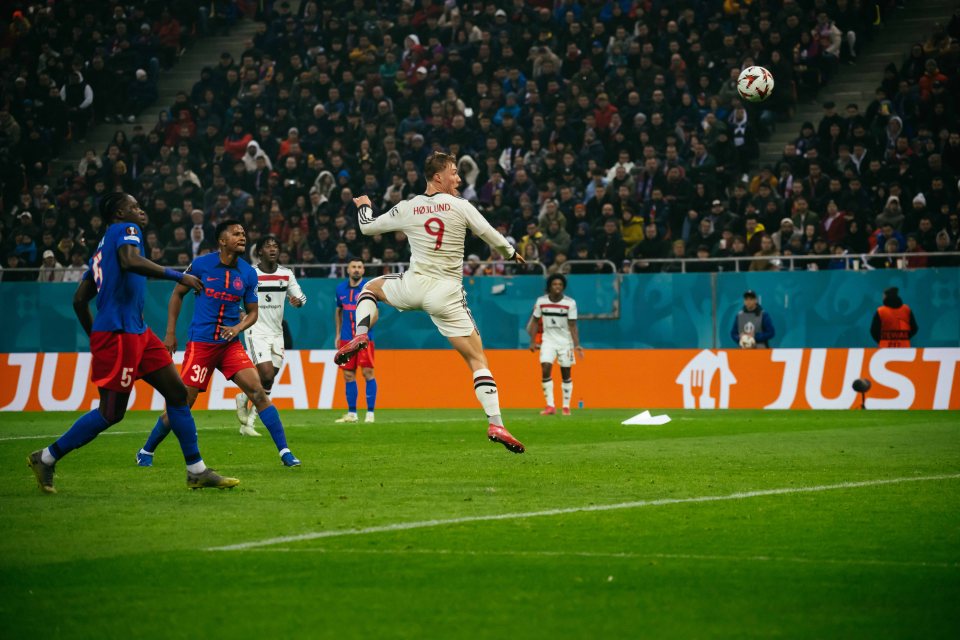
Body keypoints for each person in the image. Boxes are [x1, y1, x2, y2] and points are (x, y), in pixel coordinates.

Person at [26, 192, 239, 493]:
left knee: (177, 394)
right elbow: (129, 260)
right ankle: (46, 457)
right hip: (120, 334)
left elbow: (78, 300)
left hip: (136, 332)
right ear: (118, 214)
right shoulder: (125, 232)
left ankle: (196, 470)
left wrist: (96, 337)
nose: (140, 212)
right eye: (133, 207)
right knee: (111, 413)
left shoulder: (101, 251)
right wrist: (177, 275)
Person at [335, 152, 527, 453]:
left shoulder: (408, 207)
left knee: (370, 288)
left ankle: (361, 332)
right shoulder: (461, 206)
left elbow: (367, 227)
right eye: (454, 172)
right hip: (446, 293)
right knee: (477, 361)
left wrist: (365, 207)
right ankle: (496, 422)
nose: (459, 178)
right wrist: (510, 253)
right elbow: (489, 233)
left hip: (413, 285)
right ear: (438, 177)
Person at [136, 220, 301, 467]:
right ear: (222, 241)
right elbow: (177, 294)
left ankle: (285, 452)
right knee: (183, 403)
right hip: (201, 345)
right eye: (236, 234)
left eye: (244, 233)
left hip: (230, 345)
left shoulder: (247, 272)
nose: (242, 237)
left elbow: (252, 312)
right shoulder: (202, 265)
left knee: (258, 391)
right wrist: (170, 333)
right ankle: (146, 451)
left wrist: (237, 328)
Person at [234, 235, 307, 436]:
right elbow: (236, 296)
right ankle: (250, 418)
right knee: (265, 374)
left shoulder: (286, 274)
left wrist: (297, 301)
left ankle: (245, 410)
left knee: (268, 380)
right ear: (259, 252)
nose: (273, 249)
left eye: (276, 246)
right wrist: (241, 313)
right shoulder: (250, 274)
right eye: (268, 246)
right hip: (255, 330)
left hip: (277, 332)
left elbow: (301, 296)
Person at [526, 274, 585, 416]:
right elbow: (535, 321)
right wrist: (533, 341)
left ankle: (566, 406)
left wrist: (577, 345)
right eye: (554, 284)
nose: (557, 287)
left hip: (566, 342)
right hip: (548, 341)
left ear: (563, 287)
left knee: (566, 373)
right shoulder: (541, 301)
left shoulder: (570, 303)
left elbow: (573, 325)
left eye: (560, 284)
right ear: (549, 286)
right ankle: (550, 406)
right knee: (545, 368)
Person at [334, 258, 378, 423]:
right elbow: (339, 311)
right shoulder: (340, 289)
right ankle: (352, 413)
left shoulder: (369, 289)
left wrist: (364, 331)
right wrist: (338, 334)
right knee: (348, 375)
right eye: (353, 267)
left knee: (368, 373)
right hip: (346, 338)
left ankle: (370, 414)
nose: (356, 270)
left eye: (359, 267)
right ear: (348, 270)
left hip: (365, 339)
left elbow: (375, 313)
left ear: (363, 270)